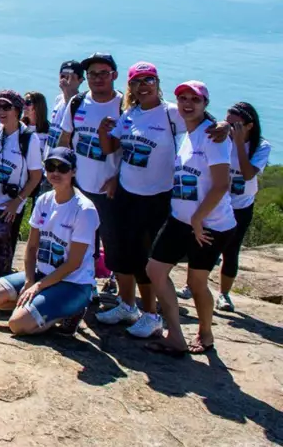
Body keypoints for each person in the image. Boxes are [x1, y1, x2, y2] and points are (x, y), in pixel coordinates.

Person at [95, 62, 185, 337]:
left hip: (157, 197)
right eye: (137, 82)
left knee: (147, 260)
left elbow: (202, 127)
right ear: (130, 87)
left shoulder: (171, 113)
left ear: (158, 83)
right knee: (124, 254)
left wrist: (221, 127)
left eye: (149, 80)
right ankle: (127, 305)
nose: (143, 86)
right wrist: (103, 131)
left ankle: (151, 315)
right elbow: (114, 147)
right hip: (127, 193)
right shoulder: (131, 113)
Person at [145, 81, 235, 356]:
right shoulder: (187, 133)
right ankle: (175, 335)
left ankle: (205, 334)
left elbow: (221, 184)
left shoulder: (214, 137)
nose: (187, 104)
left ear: (205, 104)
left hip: (210, 225)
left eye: (194, 100)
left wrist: (198, 218)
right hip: (180, 220)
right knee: (155, 270)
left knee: (197, 283)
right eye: (182, 98)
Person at [0, 147, 98, 336]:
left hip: (73, 284)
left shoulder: (84, 210)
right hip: (43, 274)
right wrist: (29, 280)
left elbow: (74, 263)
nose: (56, 173)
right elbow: (32, 246)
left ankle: (69, 312)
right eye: (51, 167)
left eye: (63, 168)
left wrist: (38, 287)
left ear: (73, 171)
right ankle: (37, 310)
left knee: (18, 325)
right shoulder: (44, 200)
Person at [58, 53, 122, 295]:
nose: (97, 78)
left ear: (114, 75)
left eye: (103, 73)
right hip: (81, 185)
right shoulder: (77, 103)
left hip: (110, 187)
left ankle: (116, 281)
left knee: (113, 237)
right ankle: (88, 283)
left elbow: (132, 147)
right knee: (84, 239)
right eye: (92, 74)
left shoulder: (125, 105)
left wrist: (118, 178)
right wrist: (64, 176)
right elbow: (66, 139)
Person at [0, 90, 43, 281]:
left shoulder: (28, 139)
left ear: (17, 109)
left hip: (8, 206)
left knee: (1, 253)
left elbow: (36, 176)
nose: (0, 111)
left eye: (6, 107)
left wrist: (18, 202)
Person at [216, 102, 271, 312]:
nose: (230, 129)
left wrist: (239, 145)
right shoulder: (220, 140)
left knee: (231, 250)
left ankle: (224, 294)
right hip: (217, 201)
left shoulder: (261, 146)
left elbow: (248, 174)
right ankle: (191, 285)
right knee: (203, 246)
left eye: (235, 125)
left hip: (241, 205)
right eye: (228, 123)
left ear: (249, 126)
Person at [47, 60, 83, 155]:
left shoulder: (81, 103)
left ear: (80, 80)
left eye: (69, 77)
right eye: (62, 76)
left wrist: (68, 91)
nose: (65, 80)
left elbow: (71, 110)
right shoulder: (58, 99)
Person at [22, 91, 50, 157]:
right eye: (23, 102)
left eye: (27, 103)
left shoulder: (49, 131)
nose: (24, 106)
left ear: (38, 106)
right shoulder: (19, 127)